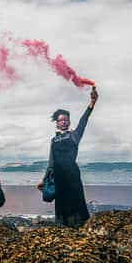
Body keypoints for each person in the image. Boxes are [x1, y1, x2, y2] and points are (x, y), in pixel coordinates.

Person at [38, 86, 99, 228]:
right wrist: (44, 179)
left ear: (69, 121)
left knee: (76, 201)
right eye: (61, 120)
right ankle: (63, 228)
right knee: (62, 204)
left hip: (72, 175)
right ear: (57, 123)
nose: (64, 122)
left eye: (66, 119)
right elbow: (51, 162)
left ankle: (80, 227)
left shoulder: (75, 135)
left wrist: (92, 103)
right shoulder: (53, 140)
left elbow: (84, 120)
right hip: (59, 177)